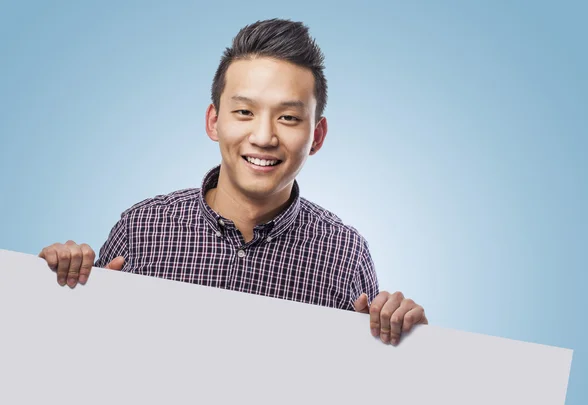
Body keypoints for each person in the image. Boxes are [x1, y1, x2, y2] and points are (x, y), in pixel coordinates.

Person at [39, 18, 427, 347]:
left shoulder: (344, 253)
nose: (263, 136)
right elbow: (81, 350)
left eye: (288, 117)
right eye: (244, 111)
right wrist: (52, 288)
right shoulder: (142, 228)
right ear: (214, 121)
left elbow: (364, 388)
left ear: (318, 136)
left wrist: (413, 346)